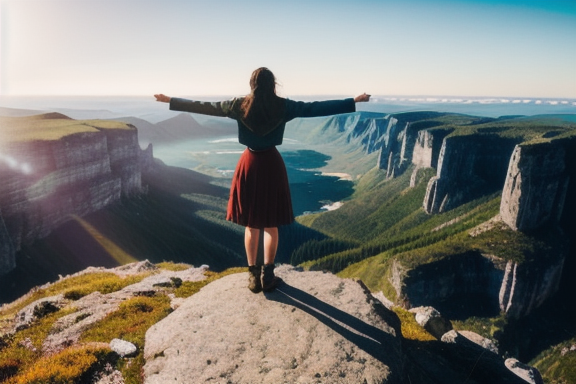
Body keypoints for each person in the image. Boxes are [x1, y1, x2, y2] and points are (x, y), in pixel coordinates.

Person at [155, 67, 370, 293]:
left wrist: (170, 100)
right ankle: (268, 274)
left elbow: (206, 107)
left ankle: (252, 276)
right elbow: (315, 108)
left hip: (249, 163)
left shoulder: (239, 105)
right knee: (271, 223)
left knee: (251, 224)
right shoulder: (284, 106)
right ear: (273, 84)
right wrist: (353, 101)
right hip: (272, 164)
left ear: (252, 84)